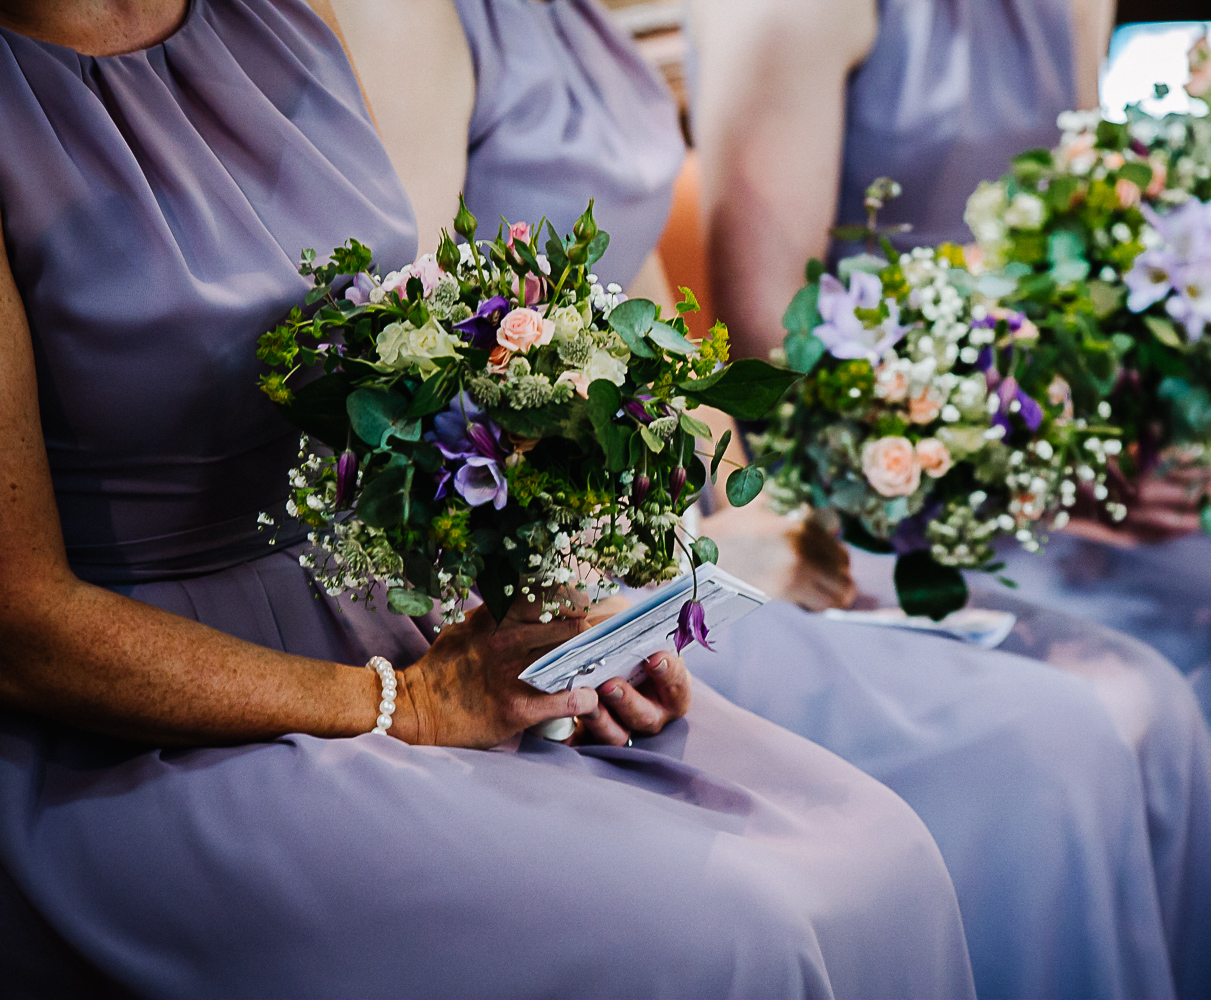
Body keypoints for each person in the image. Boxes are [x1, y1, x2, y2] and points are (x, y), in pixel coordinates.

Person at [0, 1, 980, 995]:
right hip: (147, 717)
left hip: (392, 614)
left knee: (880, 855)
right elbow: (18, 623)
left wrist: (551, 606)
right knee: (730, 935)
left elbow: (408, 371)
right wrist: (406, 704)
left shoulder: (290, 16)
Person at [689, 0, 1211, 996]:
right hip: (876, 480)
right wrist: (1031, 445)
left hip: (1047, 462)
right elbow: (766, 335)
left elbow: (1078, 241)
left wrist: (1145, 416)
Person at [453, 1, 1211, 997]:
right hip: (582, 533)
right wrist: (712, 533)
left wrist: (1107, 430)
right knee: (1066, 739)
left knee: (1189, 693)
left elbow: (649, 316)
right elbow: (767, 350)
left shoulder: (589, 25)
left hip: (755, 503)